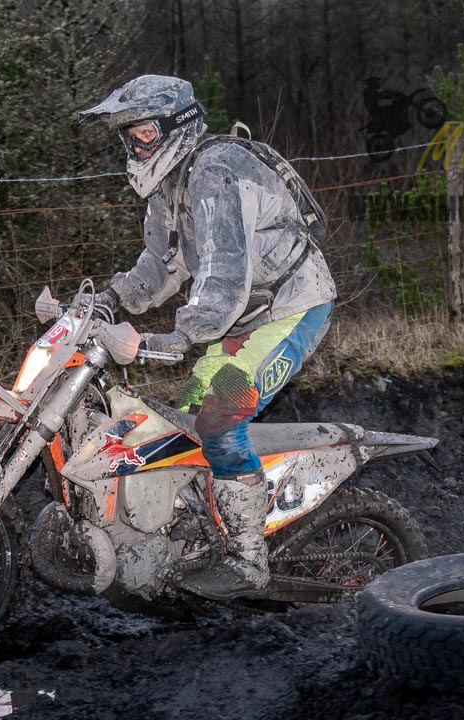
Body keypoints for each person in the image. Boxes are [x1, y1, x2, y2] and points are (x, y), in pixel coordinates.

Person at [78, 75, 336, 600]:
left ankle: (248, 563)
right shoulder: (169, 183)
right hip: (241, 317)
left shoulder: (216, 171)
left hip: (291, 307)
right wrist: (105, 299)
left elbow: (222, 276)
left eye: (144, 133)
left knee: (219, 417)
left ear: (177, 125)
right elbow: (159, 264)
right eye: (128, 136)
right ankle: (197, 537)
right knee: (185, 422)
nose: (134, 146)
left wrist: (170, 340)